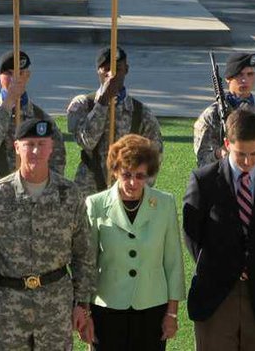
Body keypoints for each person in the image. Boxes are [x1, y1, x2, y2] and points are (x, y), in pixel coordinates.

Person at [0, 118, 96, 350]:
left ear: (51, 147)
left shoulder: (70, 195)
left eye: (42, 144)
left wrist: (81, 303)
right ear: (16, 147)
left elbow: (84, 254)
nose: (35, 150)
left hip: (55, 310)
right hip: (7, 310)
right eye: (29, 143)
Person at [183, 109, 255, 351]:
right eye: (240, 154)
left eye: (254, 154)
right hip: (215, 298)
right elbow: (192, 234)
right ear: (227, 144)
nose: (247, 161)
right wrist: (220, 266)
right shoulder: (203, 181)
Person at [82, 134, 185, 350]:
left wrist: (172, 313)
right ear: (115, 170)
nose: (132, 183)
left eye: (140, 176)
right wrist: (85, 312)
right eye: (126, 174)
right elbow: (86, 264)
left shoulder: (165, 203)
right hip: (106, 309)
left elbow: (173, 262)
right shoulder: (95, 204)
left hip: (152, 309)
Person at [0, 50, 66, 202]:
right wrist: (8, 103)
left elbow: (57, 158)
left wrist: (45, 191)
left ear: (28, 76)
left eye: (20, 73)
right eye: (9, 73)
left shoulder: (40, 117)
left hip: (29, 198)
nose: (15, 79)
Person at [67, 46, 163, 197]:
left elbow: (155, 155)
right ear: (98, 70)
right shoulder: (84, 105)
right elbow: (87, 141)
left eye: (117, 68)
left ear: (126, 69)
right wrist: (103, 102)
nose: (112, 75)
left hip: (127, 192)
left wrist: (138, 188)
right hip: (89, 190)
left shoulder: (141, 112)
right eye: (106, 69)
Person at [193, 52, 255, 169]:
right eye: (240, 75)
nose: (244, 80)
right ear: (228, 78)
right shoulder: (211, 116)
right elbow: (202, 163)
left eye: (250, 74)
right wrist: (219, 153)